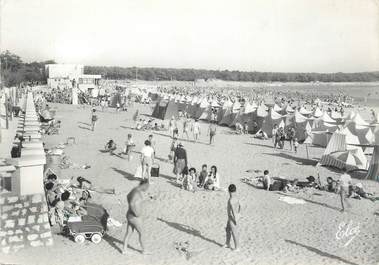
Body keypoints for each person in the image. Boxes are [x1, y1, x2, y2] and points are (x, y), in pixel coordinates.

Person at [122, 179, 151, 255]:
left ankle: (124, 249)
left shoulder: (134, 190)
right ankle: (144, 250)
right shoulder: (136, 192)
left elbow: (128, 197)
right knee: (142, 233)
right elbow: (132, 203)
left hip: (129, 214)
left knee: (128, 233)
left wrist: (146, 200)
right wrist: (136, 213)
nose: (147, 189)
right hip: (134, 217)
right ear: (144, 185)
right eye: (147, 187)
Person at [224, 184, 241, 251]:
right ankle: (227, 243)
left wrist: (235, 218)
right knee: (228, 230)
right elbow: (240, 205)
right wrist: (239, 214)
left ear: (228, 191)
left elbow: (233, 210)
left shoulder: (231, 200)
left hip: (232, 217)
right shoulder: (236, 197)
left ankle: (237, 247)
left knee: (234, 232)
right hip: (232, 217)